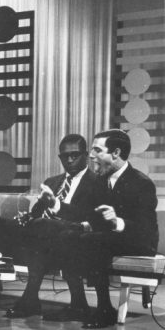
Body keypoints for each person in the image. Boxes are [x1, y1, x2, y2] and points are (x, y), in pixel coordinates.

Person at [62, 129, 159, 329]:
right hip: (110, 238)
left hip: (140, 242)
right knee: (69, 235)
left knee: (93, 240)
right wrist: (56, 206)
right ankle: (79, 304)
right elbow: (88, 214)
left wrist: (117, 222)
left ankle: (105, 309)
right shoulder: (100, 181)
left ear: (115, 153)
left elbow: (146, 230)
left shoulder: (141, 183)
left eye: (98, 150)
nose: (91, 155)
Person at [5, 134, 103, 321]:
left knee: (42, 229)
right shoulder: (52, 182)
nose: (70, 159)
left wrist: (49, 214)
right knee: (10, 226)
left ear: (85, 154)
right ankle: (75, 303)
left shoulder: (97, 182)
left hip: (76, 237)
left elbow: (91, 218)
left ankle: (31, 299)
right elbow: (36, 214)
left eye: (75, 154)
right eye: (65, 156)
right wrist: (27, 217)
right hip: (46, 240)